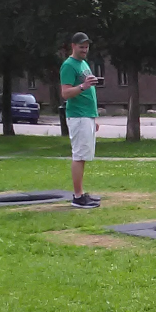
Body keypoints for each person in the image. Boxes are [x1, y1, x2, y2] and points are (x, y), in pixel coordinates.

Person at [59, 31, 101, 209]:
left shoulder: (83, 63)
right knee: (79, 155)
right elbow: (65, 93)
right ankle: (77, 196)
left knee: (84, 155)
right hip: (78, 115)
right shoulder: (69, 65)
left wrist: (94, 117)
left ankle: (81, 192)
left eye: (86, 46)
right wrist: (83, 86)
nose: (85, 49)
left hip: (87, 115)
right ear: (73, 46)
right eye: (81, 46)